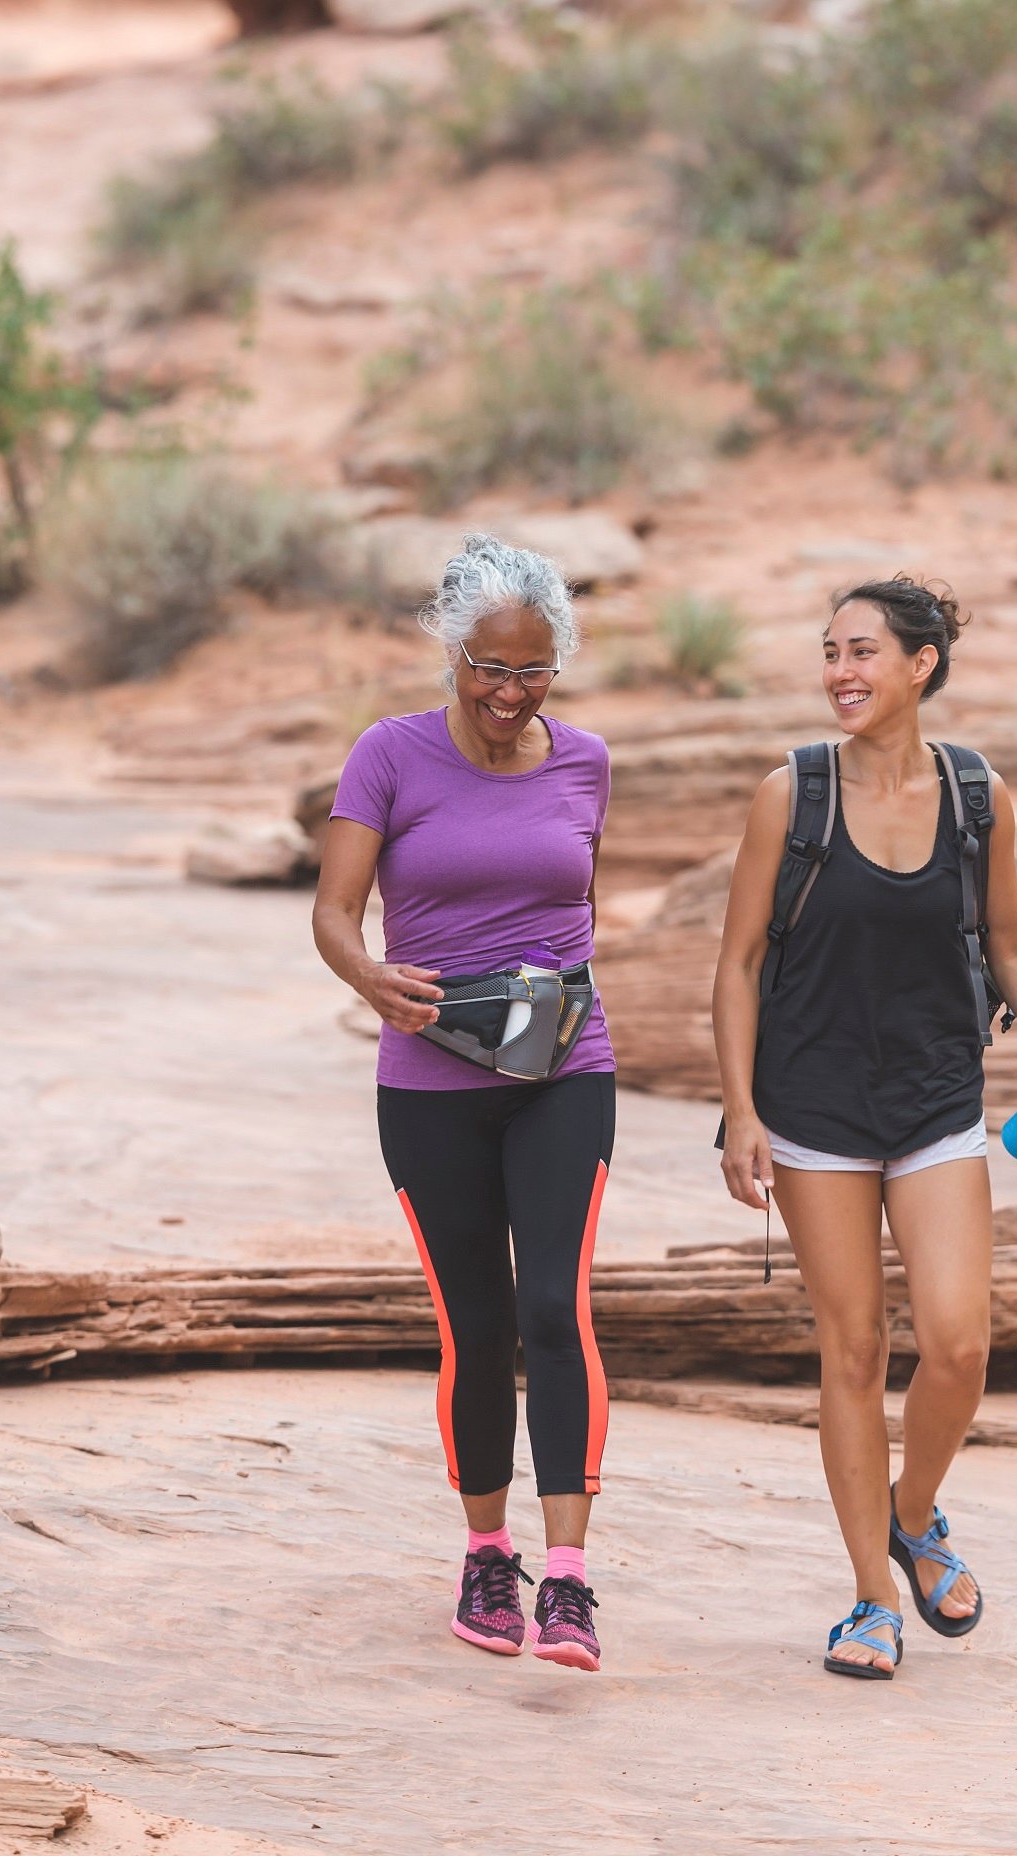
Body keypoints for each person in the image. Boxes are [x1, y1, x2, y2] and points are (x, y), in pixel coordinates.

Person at [709, 576, 1017, 1680]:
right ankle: (870, 1598)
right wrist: (741, 1108)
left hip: (937, 1100)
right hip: (813, 1112)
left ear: (922, 664)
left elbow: (1014, 945)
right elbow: (740, 962)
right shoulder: (788, 795)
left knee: (960, 1340)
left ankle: (915, 1507)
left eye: (864, 652)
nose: (841, 671)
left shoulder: (978, 796)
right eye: (830, 651)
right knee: (851, 1349)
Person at [311, 533, 614, 1673]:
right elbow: (336, 910)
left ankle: (572, 1578)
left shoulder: (585, 761)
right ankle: (489, 1553)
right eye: (488, 665)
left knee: (554, 1303)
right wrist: (368, 975)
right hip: (430, 1075)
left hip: (563, 1071)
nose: (506, 691)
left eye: (531, 670)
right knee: (475, 1320)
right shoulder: (387, 755)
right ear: (452, 649)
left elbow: (577, 904)